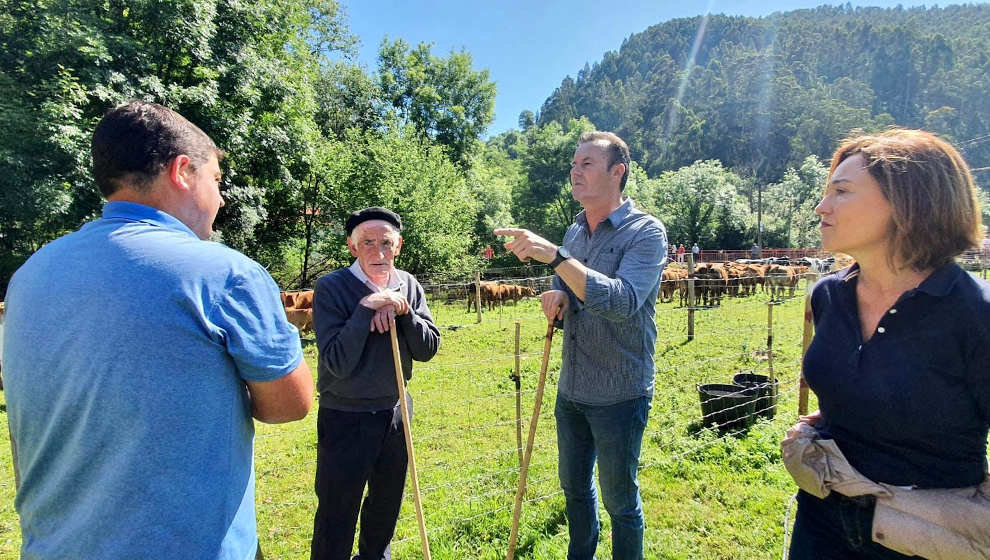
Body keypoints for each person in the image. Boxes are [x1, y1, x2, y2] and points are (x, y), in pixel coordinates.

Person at [1, 101, 313, 559]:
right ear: (183, 171)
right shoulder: (223, 274)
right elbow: (290, 403)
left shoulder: (31, 275)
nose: (221, 199)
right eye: (217, 181)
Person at [786, 129, 990, 558]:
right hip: (822, 516)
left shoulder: (975, 312)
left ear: (909, 203)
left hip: (927, 535)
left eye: (841, 192)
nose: (822, 207)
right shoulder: (828, 295)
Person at [495, 130, 666, 560]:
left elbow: (623, 302)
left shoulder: (645, 233)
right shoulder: (575, 231)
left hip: (619, 391)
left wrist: (554, 256)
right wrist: (557, 297)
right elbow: (567, 289)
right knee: (574, 490)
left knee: (620, 501)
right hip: (572, 387)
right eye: (574, 163)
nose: (575, 170)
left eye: (586, 163)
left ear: (617, 172)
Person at [310, 207, 440, 560]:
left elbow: (428, 349)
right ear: (353, 248)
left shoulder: (408, 285)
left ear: (398, 246)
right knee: (337, 512)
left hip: (396, 413)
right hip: (346, 415)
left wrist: (404, 312)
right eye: (367, 243)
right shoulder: (332, 288)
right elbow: (335, 361)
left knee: (385, 507)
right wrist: (366, 308)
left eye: (386, 243)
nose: (378, 252)